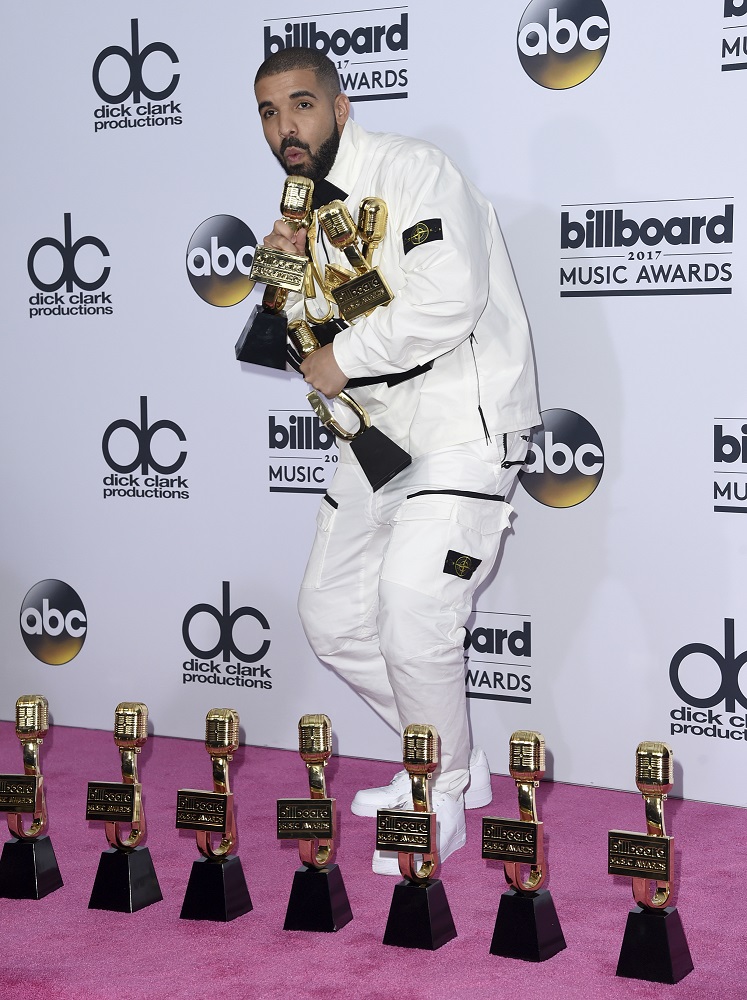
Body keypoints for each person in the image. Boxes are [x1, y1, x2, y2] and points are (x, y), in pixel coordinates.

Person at [254, 48, 539, 874]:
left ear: (339, 107)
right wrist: (280, 260)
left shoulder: (416, 171)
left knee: (414, 604)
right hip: (374, 438)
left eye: (300, 106)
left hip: (461, 424)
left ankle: (438, 788)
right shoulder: (299, 207)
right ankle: (448, 759)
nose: (285, 128)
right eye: (269, 113)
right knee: (331, 616)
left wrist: (344, 356)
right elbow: (281, 335)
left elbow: (448, 296)